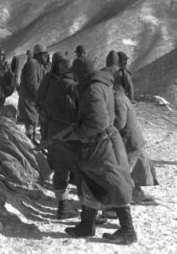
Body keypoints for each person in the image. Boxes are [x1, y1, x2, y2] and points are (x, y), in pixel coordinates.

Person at [63, 61, 137, 245]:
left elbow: (97, 121)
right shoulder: (98, 86)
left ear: (81, 74)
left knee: (113, 183)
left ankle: (128, 230)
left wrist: (77, 133)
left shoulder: (93, 90)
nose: (74, 77)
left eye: (75, 74)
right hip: (99, 142)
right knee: (91, 182)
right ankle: (87, 224)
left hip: (100, 144)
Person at [39, 57, 80, 219]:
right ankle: (88, 211)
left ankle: (63, 206)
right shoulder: (73, 88)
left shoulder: (53, 86)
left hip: (53, 133)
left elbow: (44, 109)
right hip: (70, 134)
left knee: (60, 169)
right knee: (79, 170)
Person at [113, 84, 158, 205]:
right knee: (129, 171)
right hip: (133, 141)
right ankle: (137, 193)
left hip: (129, 142)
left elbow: (120, 123)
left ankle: (126, 200)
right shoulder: (122, 97)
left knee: (124, 173)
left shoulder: (117, 99)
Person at [17, 44, 49, 141]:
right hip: (29, 98)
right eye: (44, 55)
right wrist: (41, 96)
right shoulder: (32, 64)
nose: (46, 57)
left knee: (34, 120)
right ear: (39, 55)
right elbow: (32, 83)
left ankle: (31, 140)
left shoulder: (40, 65)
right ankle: (29, 141)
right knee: (30, 120)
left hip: (33, 99)